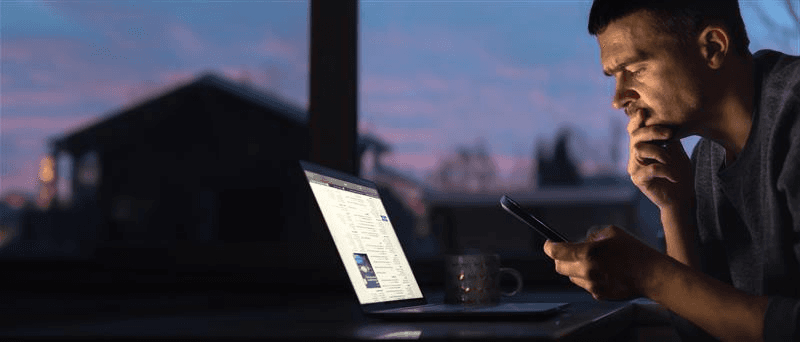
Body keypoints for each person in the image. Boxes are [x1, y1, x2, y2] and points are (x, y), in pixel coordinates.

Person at [542, 0, 800, 341]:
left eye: (634, 69)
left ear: (712, 47)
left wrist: (650, 275)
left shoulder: (793, 117)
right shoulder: (706, 159)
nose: (618, 98)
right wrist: (675, 206)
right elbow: (703, 329)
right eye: (614, 77)